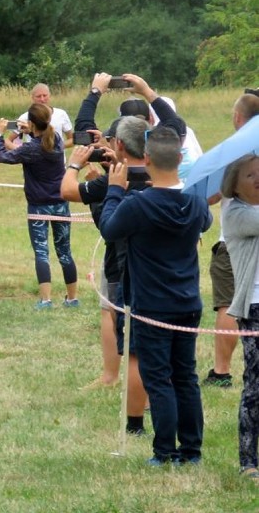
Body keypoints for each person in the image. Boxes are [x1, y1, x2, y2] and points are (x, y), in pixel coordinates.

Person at [99, 126, 212, 466]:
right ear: (180, 159)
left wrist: (115, 191)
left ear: (146, 159)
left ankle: (165, 451)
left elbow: (109, 229)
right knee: (186, 376)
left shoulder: (138, 205)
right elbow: (204, 223)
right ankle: (191, 451)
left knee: (159, 378)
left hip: (152, 307)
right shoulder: (194, 202)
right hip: (187, 303)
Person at [61, 112, 152, 432]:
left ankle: (135, 419)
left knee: (135, 346)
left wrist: (75, 164)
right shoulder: (162, 174)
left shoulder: (116, 178)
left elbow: (68, 191)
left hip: (125, 265)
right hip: (164, 271)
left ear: (120, 145)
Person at [0, 103, 78, 309]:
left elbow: (2, 156)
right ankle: (72, 298)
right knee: (65, 251)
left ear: (32, 123)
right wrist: (30, 131)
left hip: (39, 205)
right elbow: (42, 140)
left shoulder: (31, 148)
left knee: (42, 252)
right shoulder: (56, 138)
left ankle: (46, 299)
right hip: (60, 202)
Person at [204, 93, 259, 388]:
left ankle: (222, 370)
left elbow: (211, 195)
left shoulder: (234, 153)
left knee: (228, 303)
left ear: (238, 117)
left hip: (233, 242)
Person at [220, 156, 259, 480]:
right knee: (255, 388)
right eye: (250, 175)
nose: (257, 179)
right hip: (255, 309)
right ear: (234, 183)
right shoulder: (236, 213)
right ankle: (249, 461)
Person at [9, 83, 73, 149]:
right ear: (32, 98)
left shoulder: (61, 114)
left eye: (45, 95)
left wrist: (55, 147)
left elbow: (71, 139)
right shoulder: (25, 117)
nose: (42, 99)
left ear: (49, 96)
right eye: (38, 96)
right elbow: (9, 140)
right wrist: (21, 152)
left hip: (57, 157)